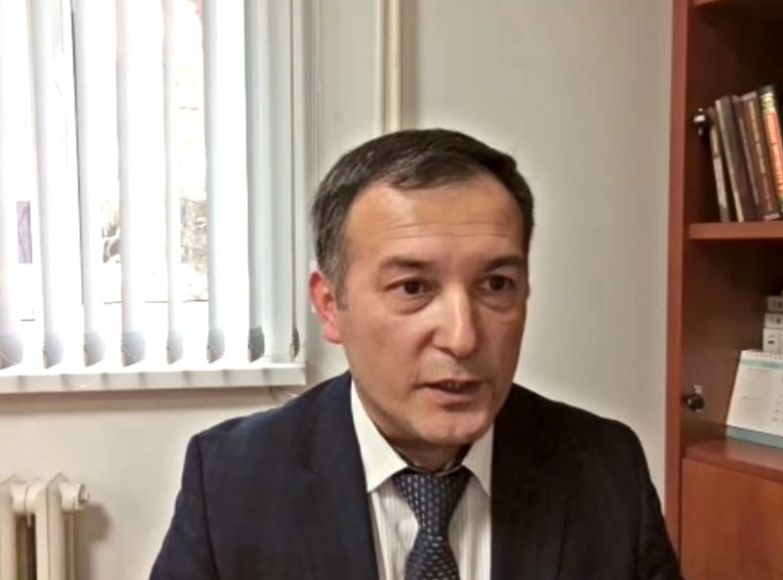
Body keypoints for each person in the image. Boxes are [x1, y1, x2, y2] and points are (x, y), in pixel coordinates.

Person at [150, 128, 681, 580]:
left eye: (496, 284)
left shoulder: (604, 467)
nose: (463, 337)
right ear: (331, 306)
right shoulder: (231, 479)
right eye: (412, 288)